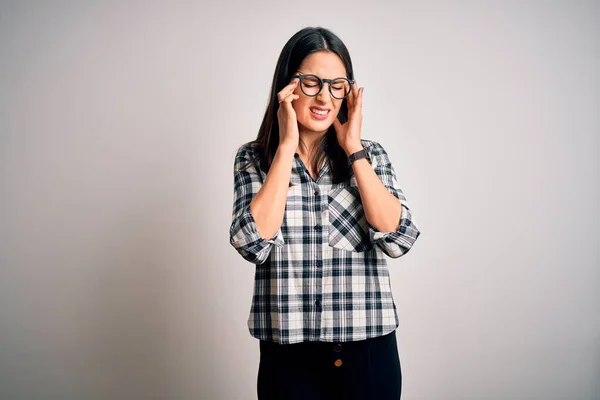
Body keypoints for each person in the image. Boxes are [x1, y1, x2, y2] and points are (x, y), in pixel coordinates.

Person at [229, 26, 421, 400]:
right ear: (287, 86)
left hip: (368, 354)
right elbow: (252, 243)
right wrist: (285, 147)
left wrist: (354, 150)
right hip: (288, 359)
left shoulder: (372, 155)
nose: (325, 97)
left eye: (338, 85)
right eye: (312, 82)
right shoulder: (253, 159)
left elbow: (399, 238)